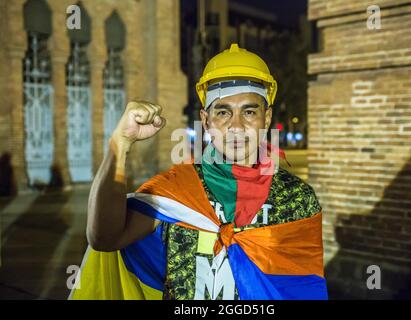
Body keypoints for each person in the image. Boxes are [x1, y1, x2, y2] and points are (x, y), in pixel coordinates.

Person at [70, 44, 327, 300]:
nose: (236, 126)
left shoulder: (297, 199)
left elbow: (302, 287)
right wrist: (120, 144)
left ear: (267, 118)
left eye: (249, 112)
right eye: (223, 113)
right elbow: (103, 238)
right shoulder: (176, 190)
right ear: (205, 120)